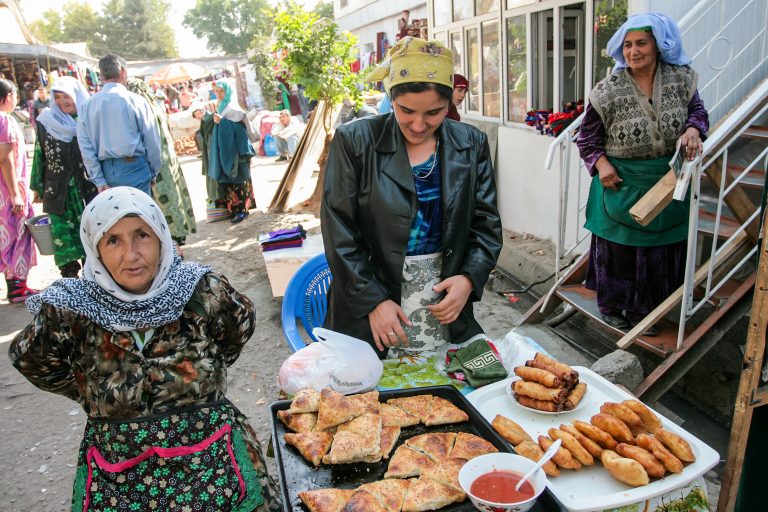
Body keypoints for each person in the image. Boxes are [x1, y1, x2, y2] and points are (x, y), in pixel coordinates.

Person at [9, 187, 281, 511]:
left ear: (161, 237)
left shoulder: (201, 291)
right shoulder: (70, 312)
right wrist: (87, 390)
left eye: (142, 235)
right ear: (95, 249)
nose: (131, 254)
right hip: (120, 474)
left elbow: (238, 327)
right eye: (113, 240)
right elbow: (32, 360)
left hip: (212, 458)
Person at [321, 37, 502, 358]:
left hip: (443, 297)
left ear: (450, 104)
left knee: (442, 394)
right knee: (373, 398)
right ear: (391, 99)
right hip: (371, 293)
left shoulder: (470, 143)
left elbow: (485, 223)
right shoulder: (355, 141)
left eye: (434, 112)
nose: (419, 125)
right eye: (406, 111)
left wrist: (469, 278)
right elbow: (339, 231)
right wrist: (373, 300)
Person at [576, 12, 708, 336]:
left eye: (641, 43)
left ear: (660, 45)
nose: (633, 51)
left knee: (660, 253)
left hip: (666, 181)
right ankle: (613, 309)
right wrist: (601, 165)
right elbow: (587, 138)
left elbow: (698, 113)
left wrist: (693, 129)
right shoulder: (608, 90)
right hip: (621, 181)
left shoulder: (681, 79)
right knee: (619, 253)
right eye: (628, 44)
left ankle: (648, 311)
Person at [31, 76, 98, 278]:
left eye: (66, 96)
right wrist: (38, 187)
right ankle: (69, 281)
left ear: (76, 95)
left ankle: (93, 279)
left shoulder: (89, 119)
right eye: (57, 97)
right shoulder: (46, 121)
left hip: (87, 189)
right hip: (58, 190)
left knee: (91, 235)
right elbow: (39, 153)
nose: (62, 102)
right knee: (64, 240)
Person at [77, 54, 162, 196]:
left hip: (105, 172)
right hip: (135, 169)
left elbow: (86, 148)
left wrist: (99, 180)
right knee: (138, 215)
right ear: (123, 72)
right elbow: (152, 142)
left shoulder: (87, 106)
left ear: (102, 76)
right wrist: (153, 172)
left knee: (114, 216)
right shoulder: (137, 101)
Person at [126, 78, 197, 246]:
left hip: (155, 160)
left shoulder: (140, 110)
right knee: (174, 195)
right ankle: (179, 233)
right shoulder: (154, 107)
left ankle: (170, 236)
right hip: (168, 159)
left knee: (162, 199)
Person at [0, 78, 38, 302]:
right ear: (8, 98)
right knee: (17, 233)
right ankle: (17, 286)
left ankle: (14, 284)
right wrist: (15, 193)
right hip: (8, 190)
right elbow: (5, 159)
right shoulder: (4, 119)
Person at [202, 79, 256, 224]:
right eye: (217, 91)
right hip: (224, 149)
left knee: (238, 176)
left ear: (228, 91)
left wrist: (222, 122)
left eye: (222, 91)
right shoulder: (220, 105)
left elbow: (239, 129)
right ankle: (234, 210)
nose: (219, 94)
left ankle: (242, 210)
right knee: (228, 178)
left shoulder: (233, 107)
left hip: (236, 149)